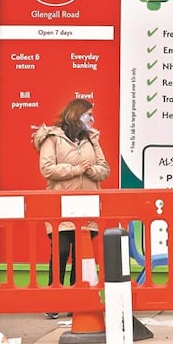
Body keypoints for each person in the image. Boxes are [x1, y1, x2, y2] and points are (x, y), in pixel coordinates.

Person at [32, 98, 110, 319]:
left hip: (87, 204)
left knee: (81, 252)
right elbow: (47, 169)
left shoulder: (92, 139)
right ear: (76, 115)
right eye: (89, 115)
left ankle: (77, 300)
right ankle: (54, 300)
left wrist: (91, 172)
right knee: (61, 250)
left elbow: (104, 168)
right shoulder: (53, 138)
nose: (92, 119)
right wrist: (76, 170)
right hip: (61, 204)